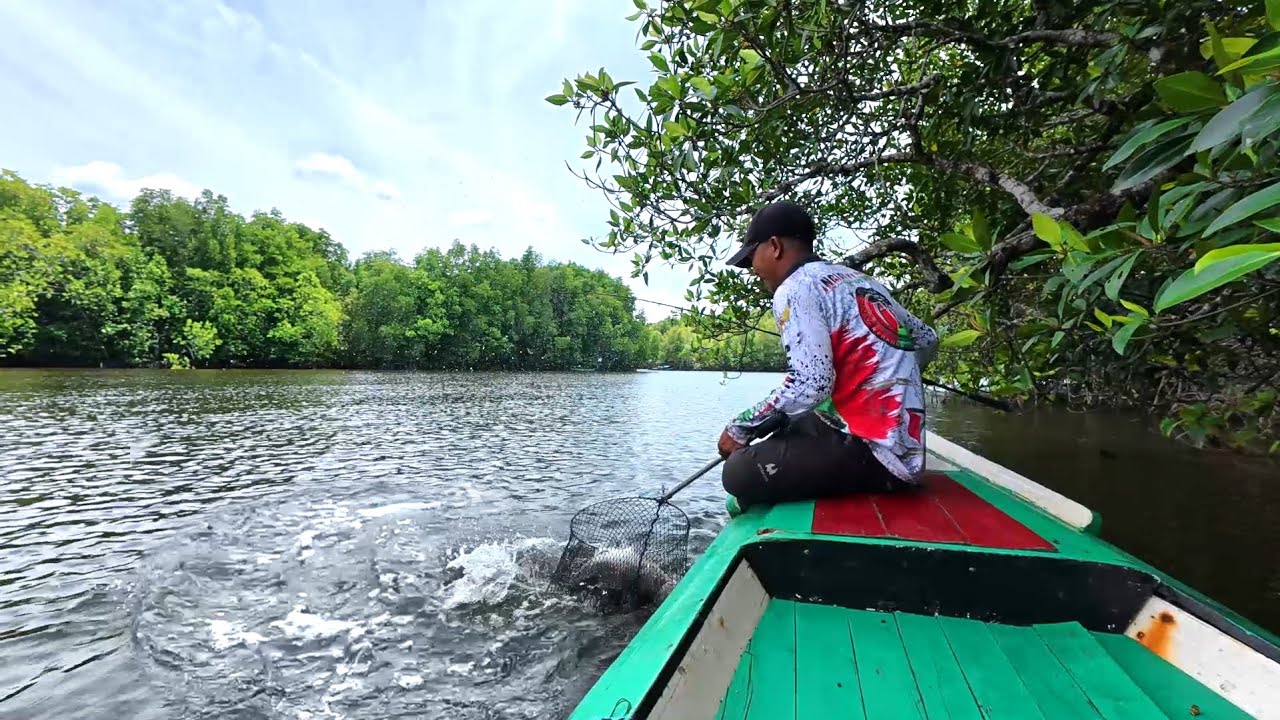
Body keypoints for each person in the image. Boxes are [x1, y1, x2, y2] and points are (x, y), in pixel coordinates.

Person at [717, 200, 939, 514]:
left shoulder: (794, 289)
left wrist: (740, 427)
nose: (753, 270)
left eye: (752, 257)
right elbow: (927, 340)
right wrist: (891, 373)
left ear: (775, 247)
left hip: (880, 456)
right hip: (896, 444)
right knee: (789, 425)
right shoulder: (861, 282)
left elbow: (812, 383)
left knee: (737, 471)